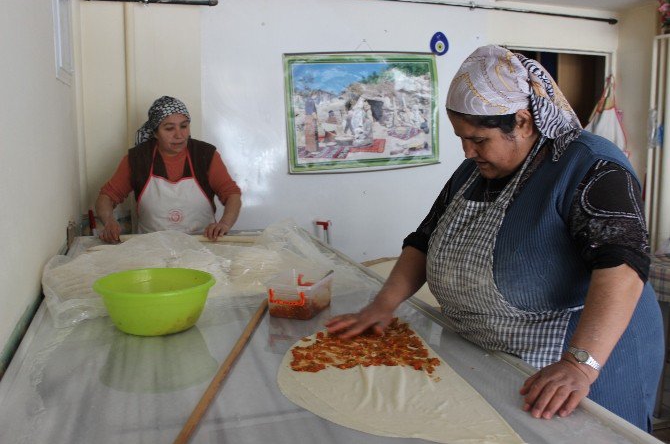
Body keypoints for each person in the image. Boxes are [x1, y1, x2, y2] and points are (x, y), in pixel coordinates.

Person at [326, 45, 664, 432]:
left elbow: (621, 267)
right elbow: (423, 240)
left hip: (589, 356)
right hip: (505, 351)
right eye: (461, 138)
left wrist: (579, 364)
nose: (467, 151)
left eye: (478, 139)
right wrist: (381, 306)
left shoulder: (589, 164)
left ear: (522, 121)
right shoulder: (474, 171)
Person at [96, 96, 242, 243]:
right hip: (151, 247)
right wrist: (109, 221)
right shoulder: (138, 159)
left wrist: (224, 223)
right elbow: (106, 197)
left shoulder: (205, 155)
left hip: (203, 245)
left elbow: (232, 194)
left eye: (184, 126)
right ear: (155, 132)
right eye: (169, 128)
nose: (179, 135)